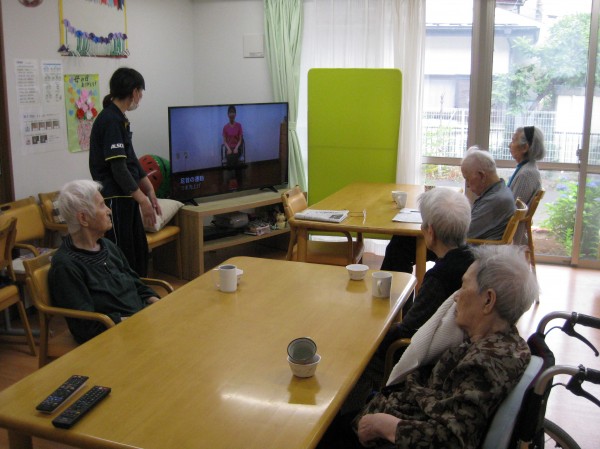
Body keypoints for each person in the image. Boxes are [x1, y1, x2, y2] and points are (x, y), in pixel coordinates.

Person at [319, 245, 537, 449]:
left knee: (321, 431)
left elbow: (451, 439)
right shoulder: (507, 342)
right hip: (400, 408)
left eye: (464, 286)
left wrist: (384, 426)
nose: (456, 296)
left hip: (386, 433)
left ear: (488, 301)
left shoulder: (484, 365)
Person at [342, 188, 475, 414]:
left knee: (360, 349)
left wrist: (373, 333)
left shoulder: (439, 277)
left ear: (430, 233)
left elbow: (408, 331)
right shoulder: (473, 259)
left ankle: (352, 412)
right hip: (457, 351)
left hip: (423, 358)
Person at [49, 180, 160, 344]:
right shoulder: (66, 266)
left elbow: (135, 282)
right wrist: (134, 321)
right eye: (102, 205)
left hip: (140, 322)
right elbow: (85, 326)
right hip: (114, 338)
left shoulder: (107, 246)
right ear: (83, 218)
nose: (109, 210)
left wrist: (158, 304)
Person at [381, 146, 515, 273]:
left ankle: (396, 287)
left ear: (482, 175)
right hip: (468, 246)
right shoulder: (498, 192)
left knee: (401, 244)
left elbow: (462, 231)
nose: (468, 185)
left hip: (464, 251)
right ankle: (399, 286)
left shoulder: (496, 200)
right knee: (402, 241)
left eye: (467, 179)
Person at [89, 67, 160, 277]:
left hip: (128, 197)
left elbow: (131, 160)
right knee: (124, 256)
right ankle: (127, 296)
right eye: (141, 92)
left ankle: (141, 292)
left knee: (139, 252)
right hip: (116, 198)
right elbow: (118, 168)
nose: (141, 97)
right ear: (134, 91)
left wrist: (150, 191)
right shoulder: (110, 120)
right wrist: (143, 200)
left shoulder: (120, 119)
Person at [508, 126, 545, 244]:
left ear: (525, 148)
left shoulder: (526, 174)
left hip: (510, 234)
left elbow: (513, 209)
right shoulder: (526, 168)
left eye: (513, 140)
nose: (509, 145)